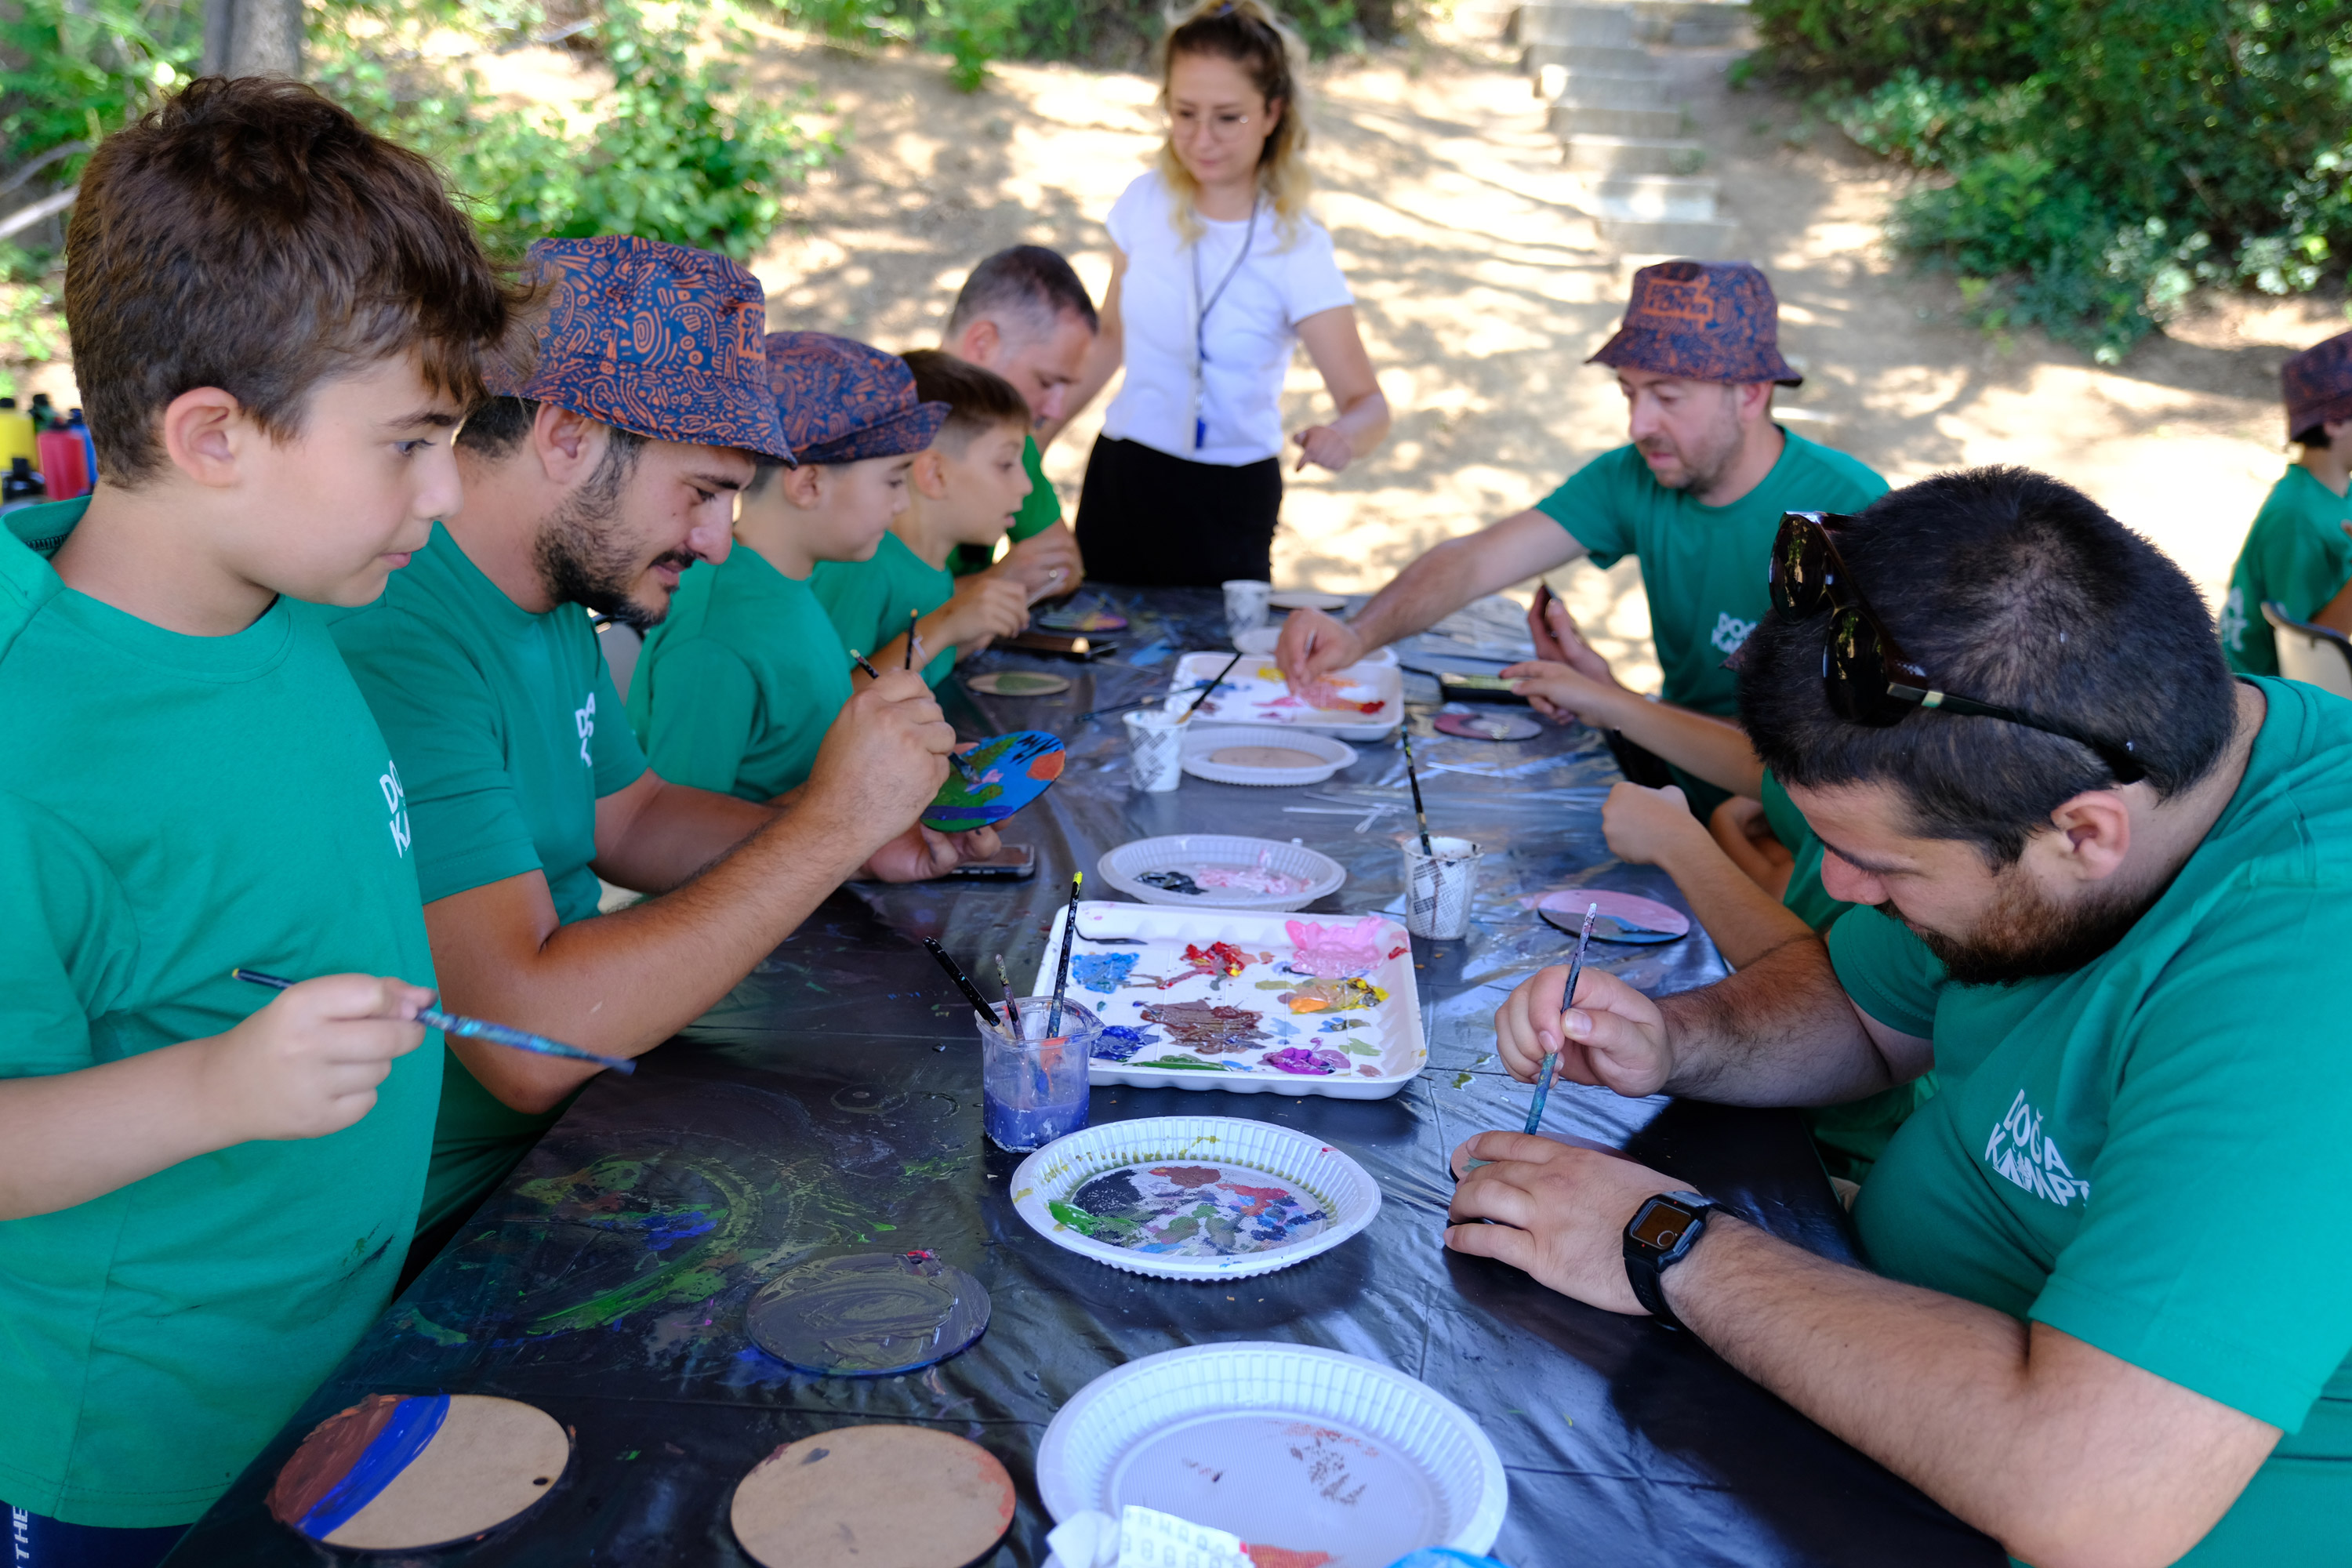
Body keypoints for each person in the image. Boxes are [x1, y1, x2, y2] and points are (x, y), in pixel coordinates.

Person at [1452, 467, 2352, 1566]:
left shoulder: (2307, 970)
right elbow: (1866, 1007)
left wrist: (1664, 1243)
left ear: (2085, 834)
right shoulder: (2130, 771)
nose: (1835, 889)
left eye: (1877, 864)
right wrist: (1681, 1038)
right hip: (1864, 1383)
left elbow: (2095, 1501)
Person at [0, 78, 517, 1562]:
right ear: (216, 434)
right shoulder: (30, 742)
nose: (442, 495)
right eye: (410, 444)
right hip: (126, 1461)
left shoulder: (295, 601)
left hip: (327, 1377)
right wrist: (220, 1089)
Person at [332, 237, 996, 1258]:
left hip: (574, 1135)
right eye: (699, 492)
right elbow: (530, 1036)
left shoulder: (549, 597)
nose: (721, 539)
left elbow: (629, 815)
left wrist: (857, 835)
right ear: (565, 437)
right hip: (446, 1221)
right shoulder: (400, 633)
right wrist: (825, 830)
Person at [1276, 259, 1886, 811]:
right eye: (1629, 393)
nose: (1640, 423)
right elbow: (1474, 562)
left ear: (1751, 394)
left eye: (1667, 397)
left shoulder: (1844, 512)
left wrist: (1617, 704)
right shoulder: (1638, 472)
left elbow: (1817, 774)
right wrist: (1357, 635)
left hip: (1787, 831)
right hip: (1671, 783)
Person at [1062, 0, 1389, 586]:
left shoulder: (1296, 245)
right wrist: (1032, 439)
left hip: (1230, 494)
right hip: (1124, 474)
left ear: (1272, 113)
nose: (1202, 138)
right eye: (1185, 113)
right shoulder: (1143, 202)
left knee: (1216, 671)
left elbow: (1369, 404)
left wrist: (1345, 437)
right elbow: (1109, 340)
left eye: (1228, 117)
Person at [627, 331, 950, 800]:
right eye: (893, 480)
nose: (902, 503)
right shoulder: (716, 639)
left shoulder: (791, 582)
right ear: (808, 485)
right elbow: (675, 839)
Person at [809, 349, 1036, 685]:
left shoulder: (931, 566)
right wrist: (944, 625)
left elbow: (912, 670)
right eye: (1005, 464)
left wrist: (963, 637)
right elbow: (826, 709)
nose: (1026, 485)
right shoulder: (862, 566)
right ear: (934, 474)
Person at [941, 245, 1096, 594]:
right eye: (1045, 382)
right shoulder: (880, 443)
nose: (1057, 410)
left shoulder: (1011, 440)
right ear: (983, 344)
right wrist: (990, 585)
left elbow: (1064, 564)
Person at [2219, 327, 2352, 674]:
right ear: (2335, 423)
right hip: (2264, 697)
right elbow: (2307, 657)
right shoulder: (2297, 518)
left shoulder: (2333, 492)